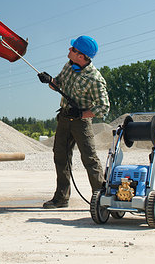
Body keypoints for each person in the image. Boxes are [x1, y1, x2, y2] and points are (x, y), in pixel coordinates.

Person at [37, 35, 109, 209]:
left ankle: (102, 199)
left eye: (73, 49)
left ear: (81, 55)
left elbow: (103, 107)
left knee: (90, 159)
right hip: (63, 118)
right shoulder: (69, 66)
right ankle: (61, 198)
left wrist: (83, 114)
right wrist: (50, 81)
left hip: (81, 123)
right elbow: (58, 84)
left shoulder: (95, 79)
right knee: (60, 157)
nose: (69, 50)